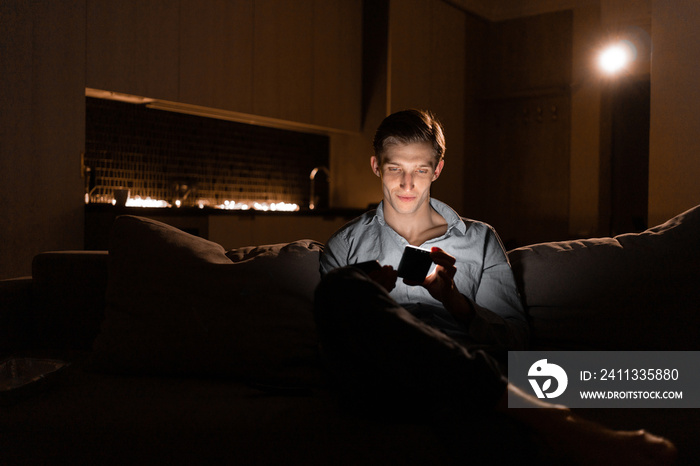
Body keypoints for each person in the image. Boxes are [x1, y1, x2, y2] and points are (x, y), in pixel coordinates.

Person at [314, 109, 677, 465]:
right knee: (341, 288)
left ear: (437, 170)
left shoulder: (479, 239)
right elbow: (331, 345)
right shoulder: (345, 245)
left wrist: (455, 302)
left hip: (466, 379)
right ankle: (556, 422)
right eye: (395, 169)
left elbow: (515, 341)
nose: (407, 184)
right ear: (377, 166)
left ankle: (502, 409)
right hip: (382, 377)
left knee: (474, 413)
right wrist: (370, 300)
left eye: (420, 170)